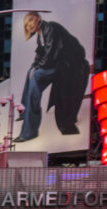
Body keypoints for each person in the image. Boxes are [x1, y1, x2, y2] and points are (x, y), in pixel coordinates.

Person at [13, 11, 90, 143]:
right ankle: (25, 112)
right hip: (58, 65)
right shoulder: (41, 35)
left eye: (31, 21)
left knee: (36, 75)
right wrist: (34, 66)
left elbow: (51, 54)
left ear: (38, 19)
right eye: (27, 24)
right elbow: (41, 55)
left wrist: (37, 68)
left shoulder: (51, 28)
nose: (29, 25)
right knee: (31, 72)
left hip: (70, 66)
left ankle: (29, 131)